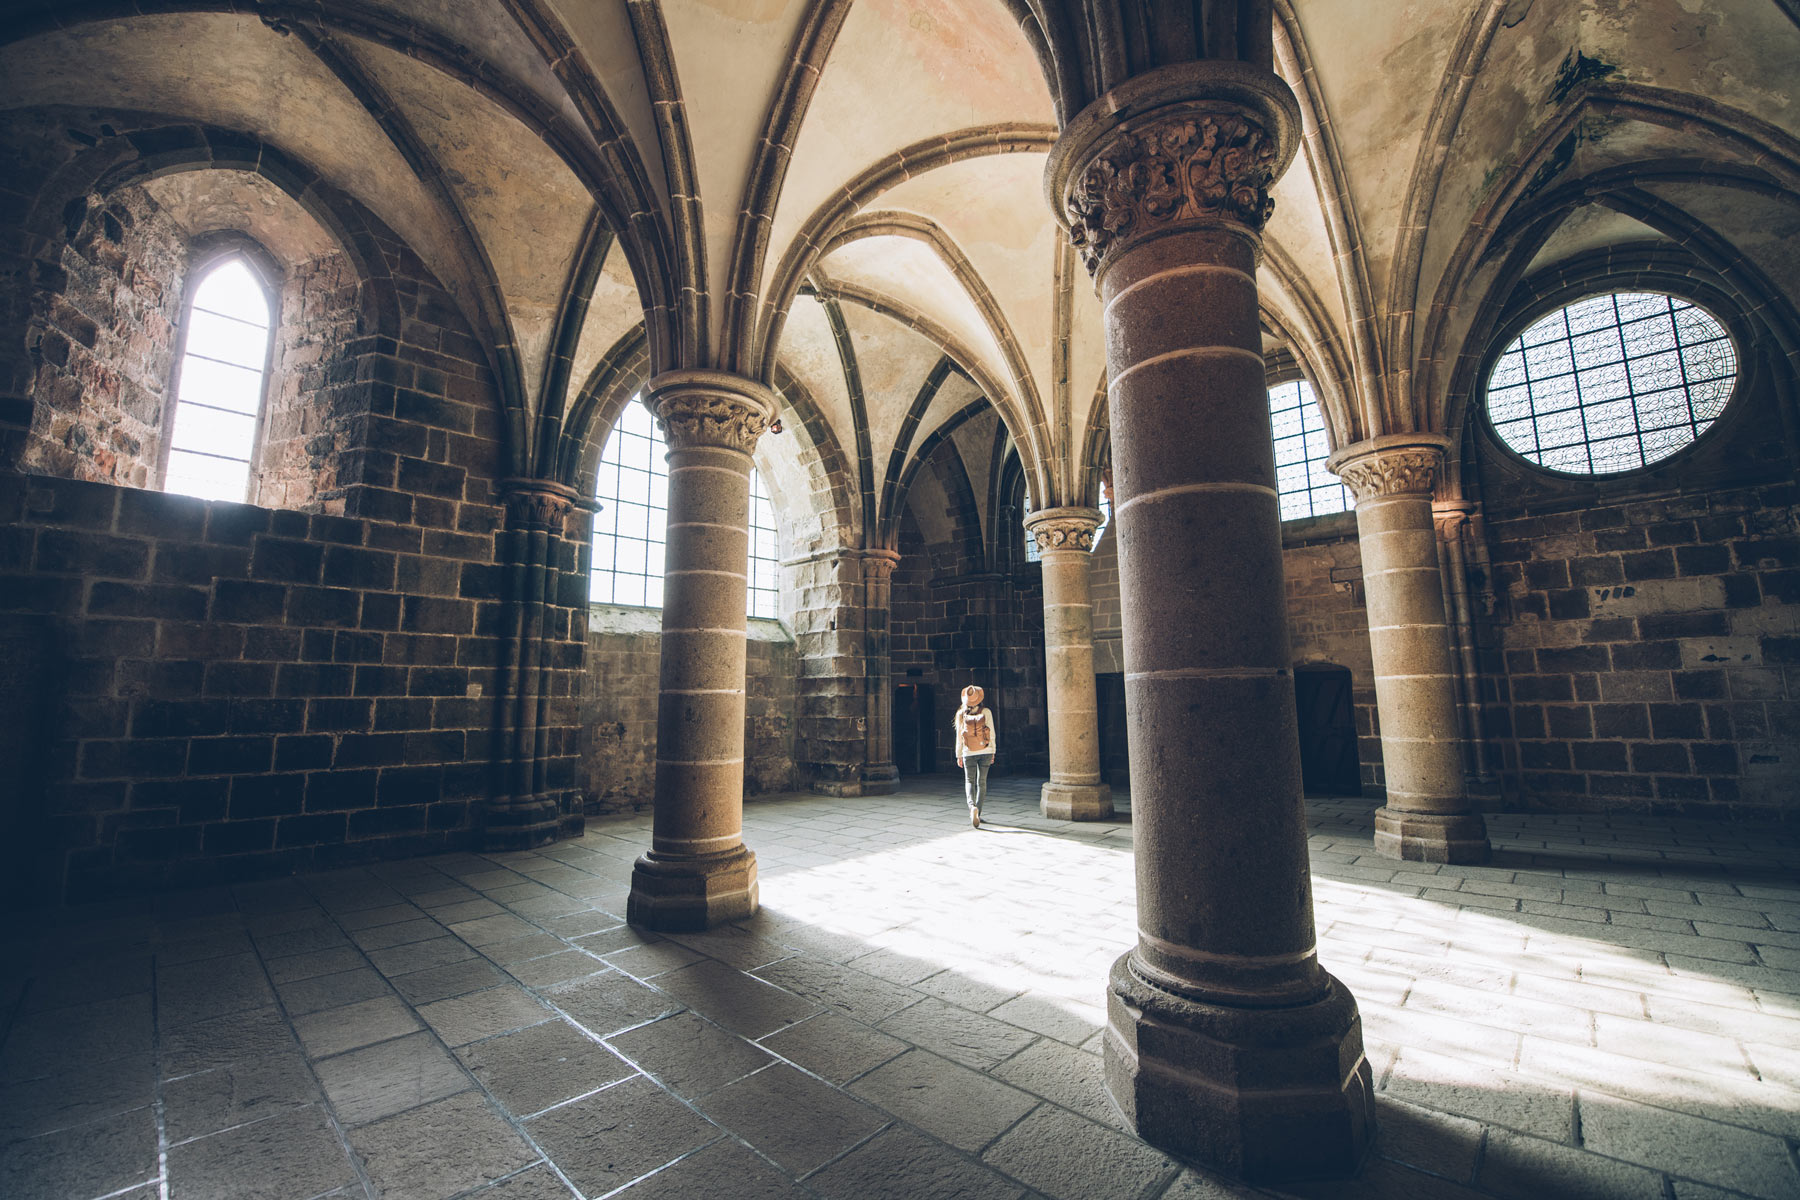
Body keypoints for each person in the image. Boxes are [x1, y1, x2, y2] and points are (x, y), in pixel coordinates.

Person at [953, 684, 997, 828]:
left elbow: (959, 737)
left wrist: (958, 754)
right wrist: (993, 751)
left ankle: (972, 807)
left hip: (968, 752)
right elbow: (992, 734)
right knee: (982, 782)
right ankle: (979, 811)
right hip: (985, 750)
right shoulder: (987, 712)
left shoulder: (961, 713)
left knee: (969, 781)